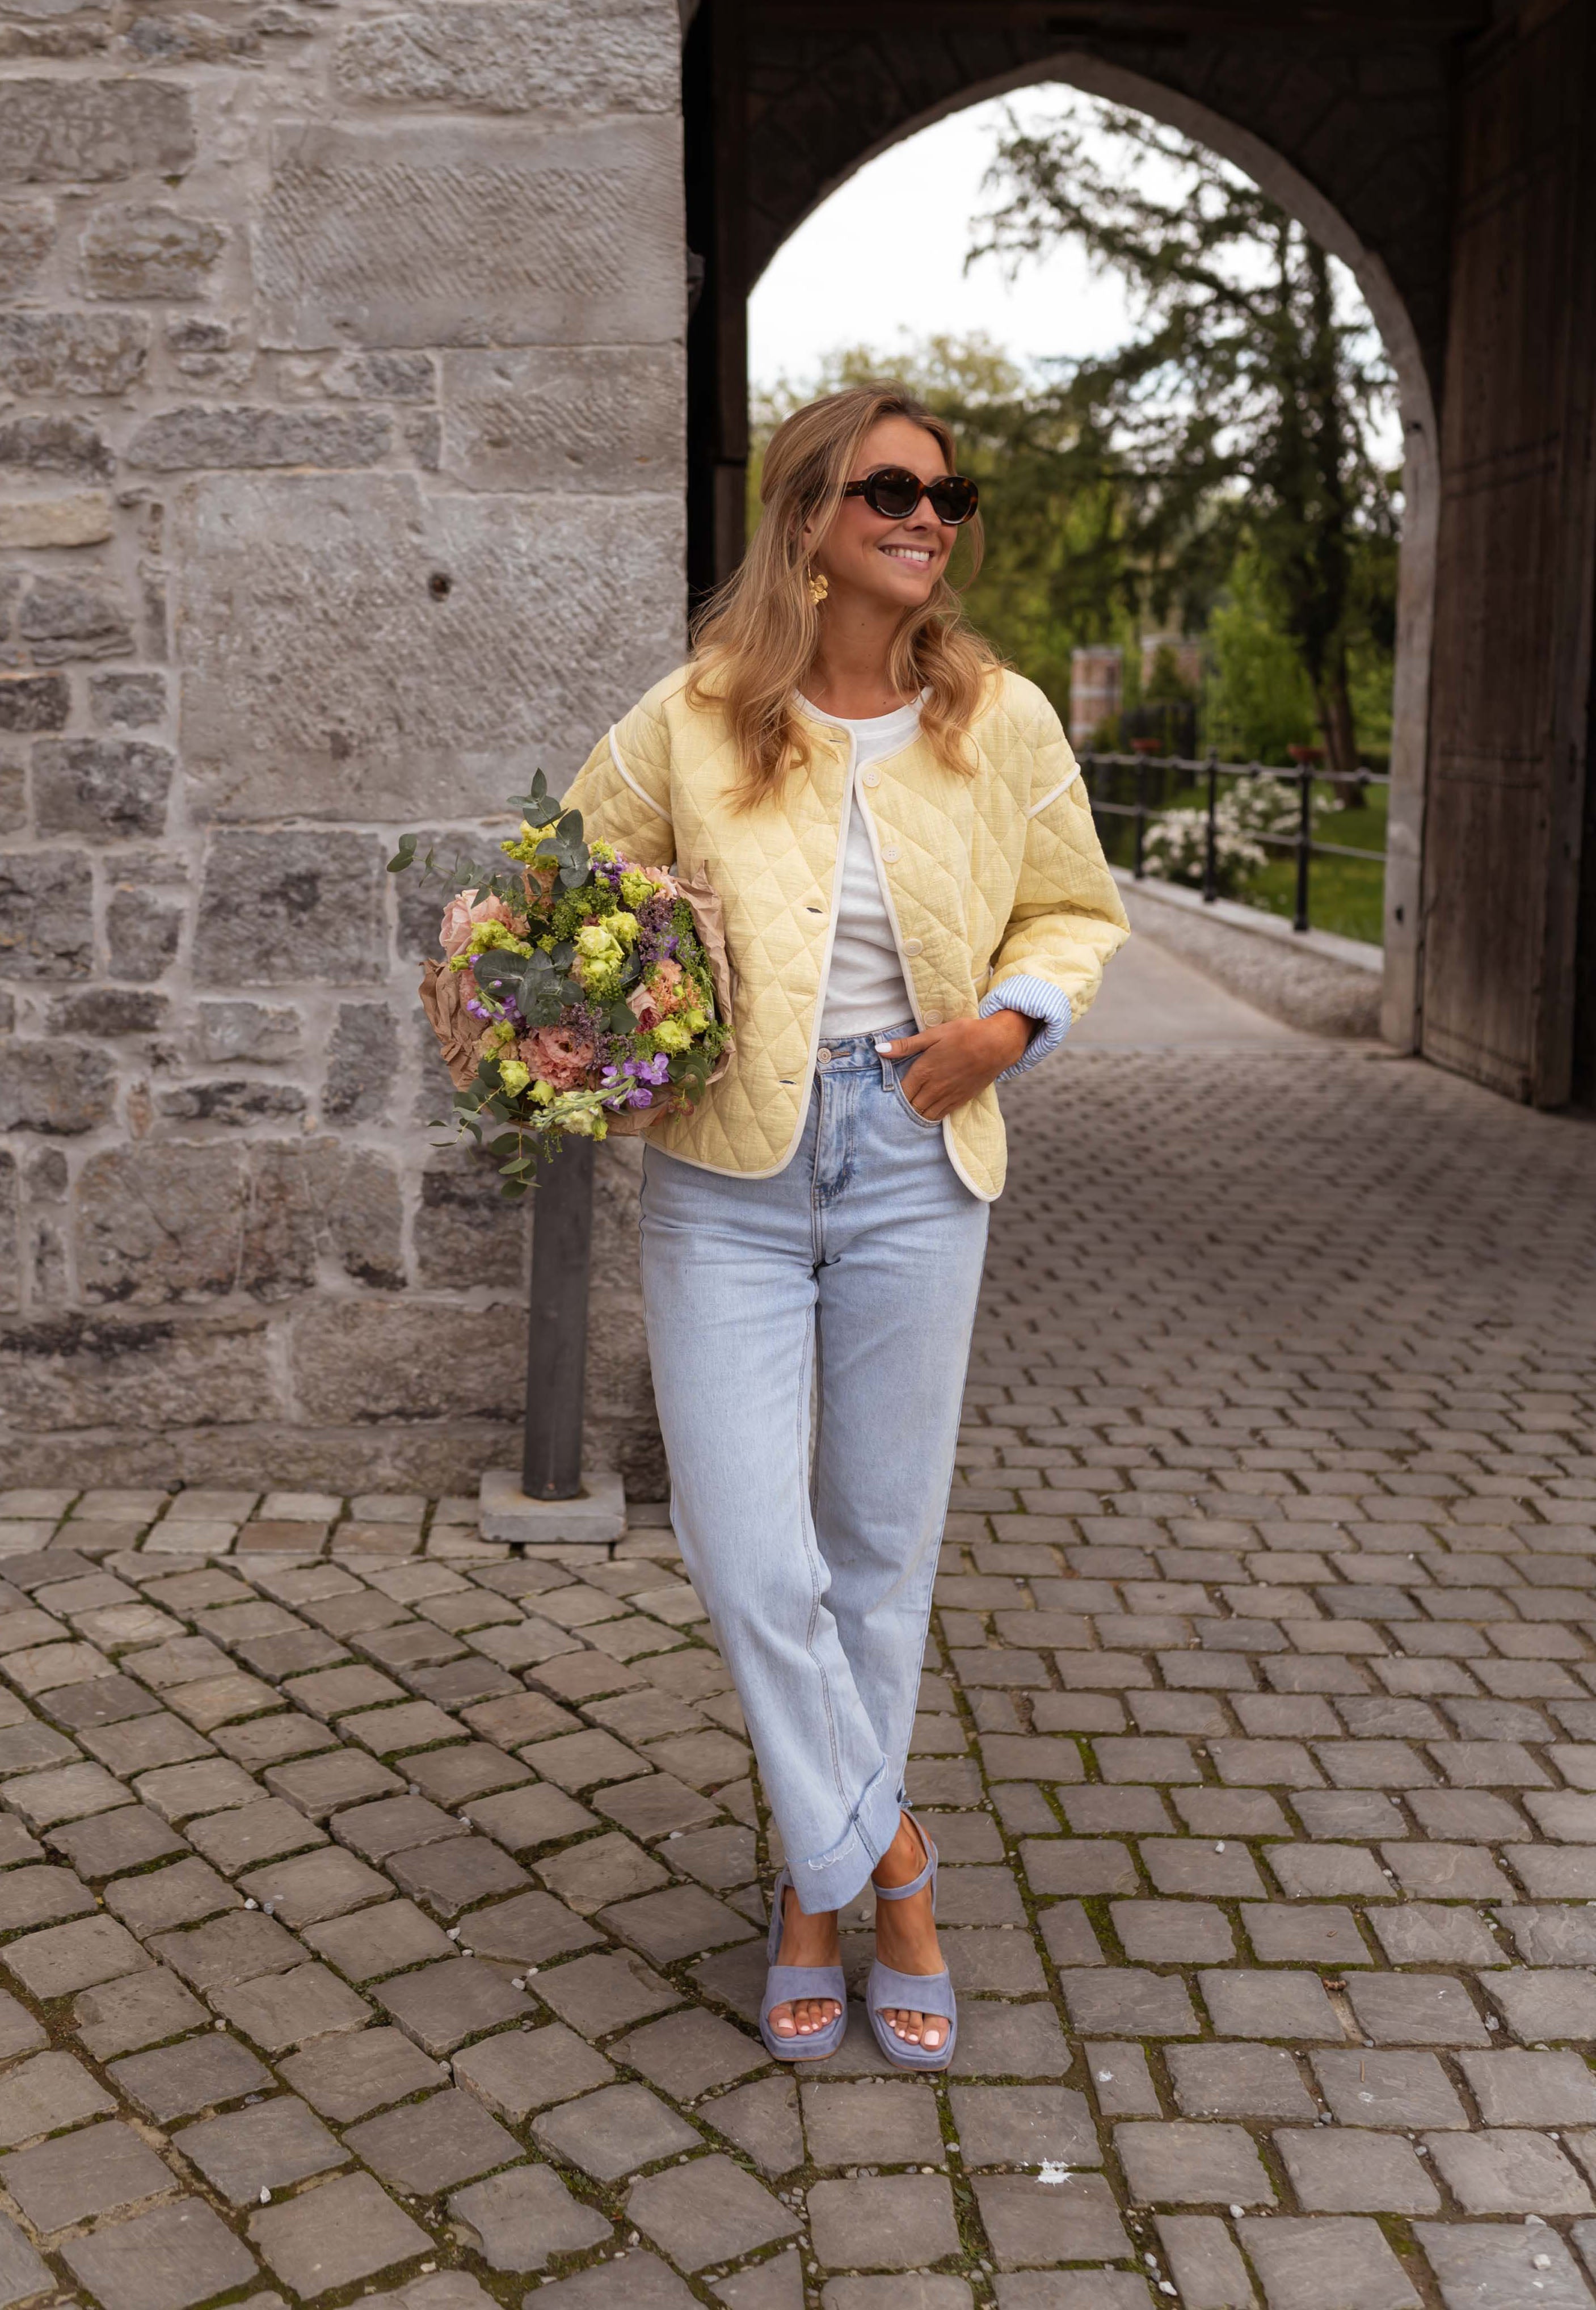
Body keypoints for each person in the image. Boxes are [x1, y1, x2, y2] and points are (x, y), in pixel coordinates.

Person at [563, 384, 1127, 2068]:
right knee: (750, 1554)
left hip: (915, 1155)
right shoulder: (692, 717)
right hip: (727, 1167)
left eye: (952, 495)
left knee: (881, 1555)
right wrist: (582, 1017)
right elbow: (571, 892)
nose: (930, 517)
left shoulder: (997, 719)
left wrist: (1006, 1027)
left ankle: (825, 1906)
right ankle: (890, 1858)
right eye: (892, 487)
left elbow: (1077, 907)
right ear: (809, 513)